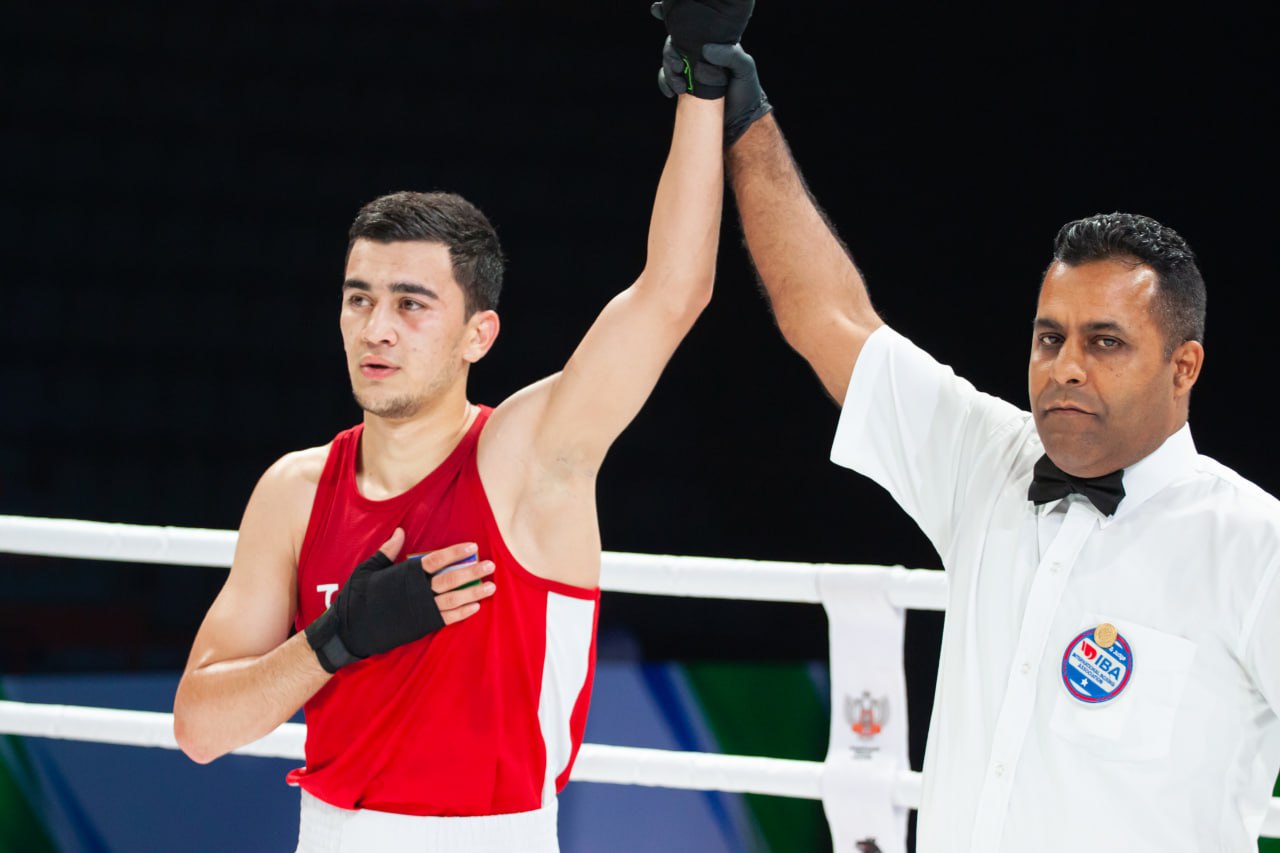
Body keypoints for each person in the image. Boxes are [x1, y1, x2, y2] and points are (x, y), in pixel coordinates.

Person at [657, 27, 1280, 853]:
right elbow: (827, 316)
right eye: (1050, 337)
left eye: (1105, 342)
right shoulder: (990, 460)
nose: (1065, 366)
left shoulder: (1254, 546)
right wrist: (743, 114)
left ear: (1183, 366)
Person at [170, 20, 736, 851]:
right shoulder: (295, 490)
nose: (377, 328)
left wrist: (701, 80)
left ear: (479, 334)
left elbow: (673, 292)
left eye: (411, 303)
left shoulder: (529, 458)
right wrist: (335, 638)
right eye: (359, 298)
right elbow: (199, 727)